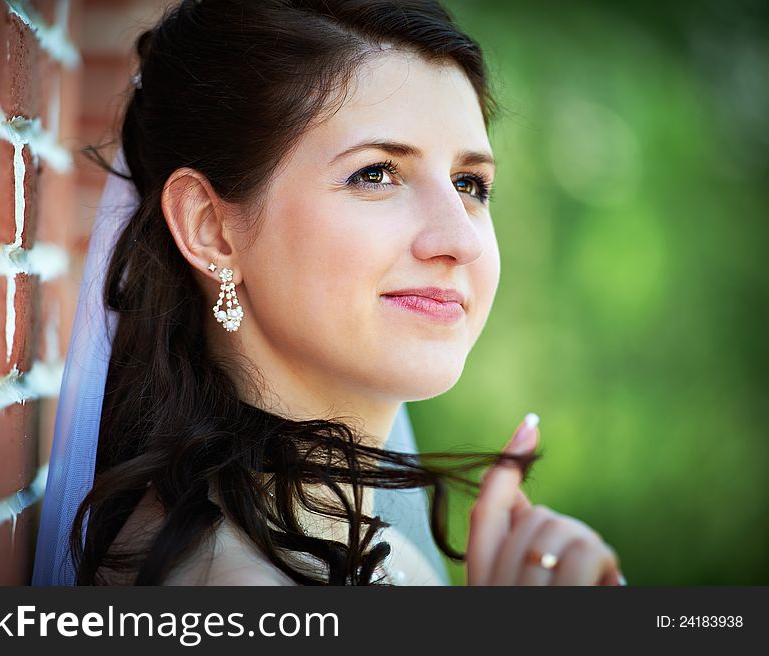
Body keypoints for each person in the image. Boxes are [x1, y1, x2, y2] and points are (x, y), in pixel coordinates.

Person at [33, 0, 626, 586]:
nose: (459, 241)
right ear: (210, 228)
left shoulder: (389, 560)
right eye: (376, 174)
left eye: (470, 183)